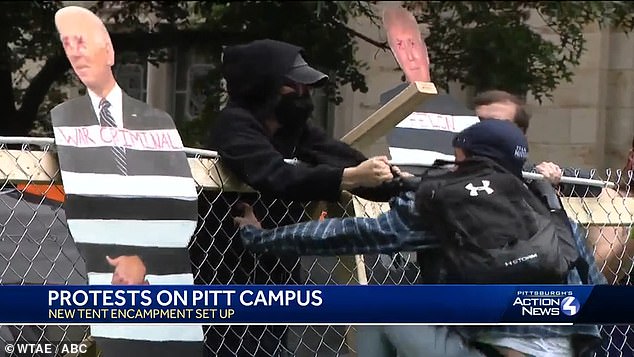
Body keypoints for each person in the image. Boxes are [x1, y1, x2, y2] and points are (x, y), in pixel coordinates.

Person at [234, 120, 604, 357]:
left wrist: (261, 238)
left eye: (456, 159)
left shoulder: (448, 202)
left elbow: (348, 233)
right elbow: (595, 284)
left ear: (465, 158)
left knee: (377, 304)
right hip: (568, 350)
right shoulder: (541, 199)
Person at [196, 38, 398, 356]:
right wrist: (351, 177)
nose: (304, 95)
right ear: (265, 87)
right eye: (294, 87)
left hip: (275, 269)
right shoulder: (234, 126)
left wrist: (402, 182)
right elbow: (273, 174)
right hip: (223, 272)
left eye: (306, 87)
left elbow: (345, 159)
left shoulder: (296, 131)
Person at [53, 6, 202, 356]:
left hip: (163, 287)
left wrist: (145, 258)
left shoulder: (157, 119)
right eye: (68, 44)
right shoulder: (65, 116)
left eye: (82, 41)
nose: (75, 51)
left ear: (109, 51)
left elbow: (180, 207)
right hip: (105, 282)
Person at [473, 89, 632, 284]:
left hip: (540, 287)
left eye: (499, 126)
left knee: (564, 226)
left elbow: (600, 189)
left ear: (520, 135)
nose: (486, 132)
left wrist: (549, 183)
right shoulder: (441, 180)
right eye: (479, 123)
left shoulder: (535, 179)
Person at [382, 6, 431, 83]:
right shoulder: (395, 94)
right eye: (400, 45)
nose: (410, 57)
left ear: (424, 48)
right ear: (396, 55)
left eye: (412, 43)